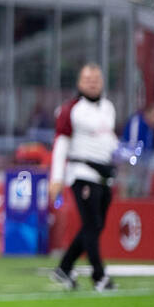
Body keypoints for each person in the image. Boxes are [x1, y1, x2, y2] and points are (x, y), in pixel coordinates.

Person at [48, 64, 118, 292]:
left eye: (96, 78)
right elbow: (61, 144)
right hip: (82, 173)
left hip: (104, 175)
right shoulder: (71, 109)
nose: (92, 83)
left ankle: (65, 267)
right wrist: (56, 178)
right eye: (87, 79)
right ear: (79, 83)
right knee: (91, 224)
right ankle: (99, 276)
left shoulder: (108, 107)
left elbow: (109, 140)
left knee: (95, 226)